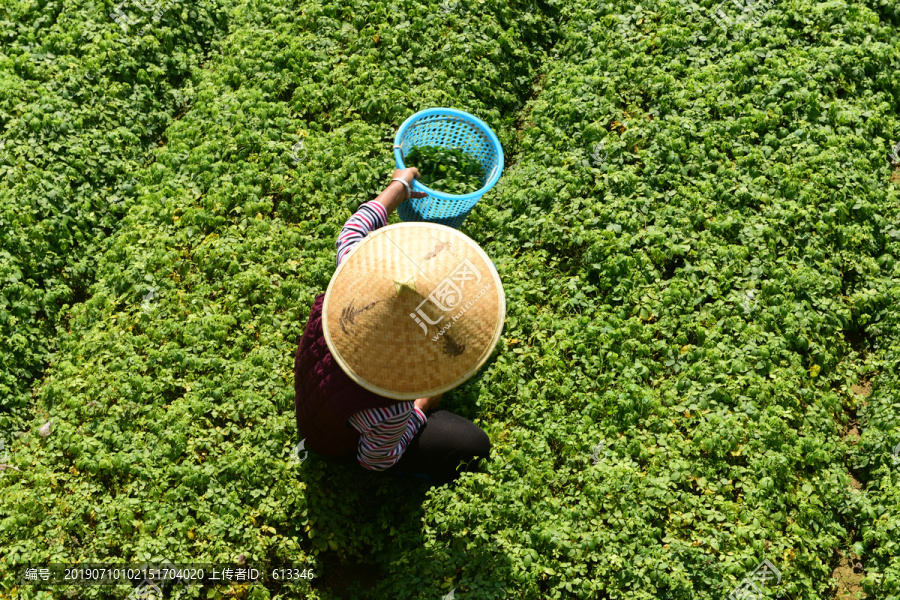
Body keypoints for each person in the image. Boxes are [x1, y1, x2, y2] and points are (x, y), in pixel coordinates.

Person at [294, 167, 492, 485]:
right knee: (473, 445)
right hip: (334, 443)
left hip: (317, 399)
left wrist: (397, 188)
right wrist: (421, 407)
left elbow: (352, 232)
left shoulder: (350, 282)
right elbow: (375, 459)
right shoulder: (390, 407)